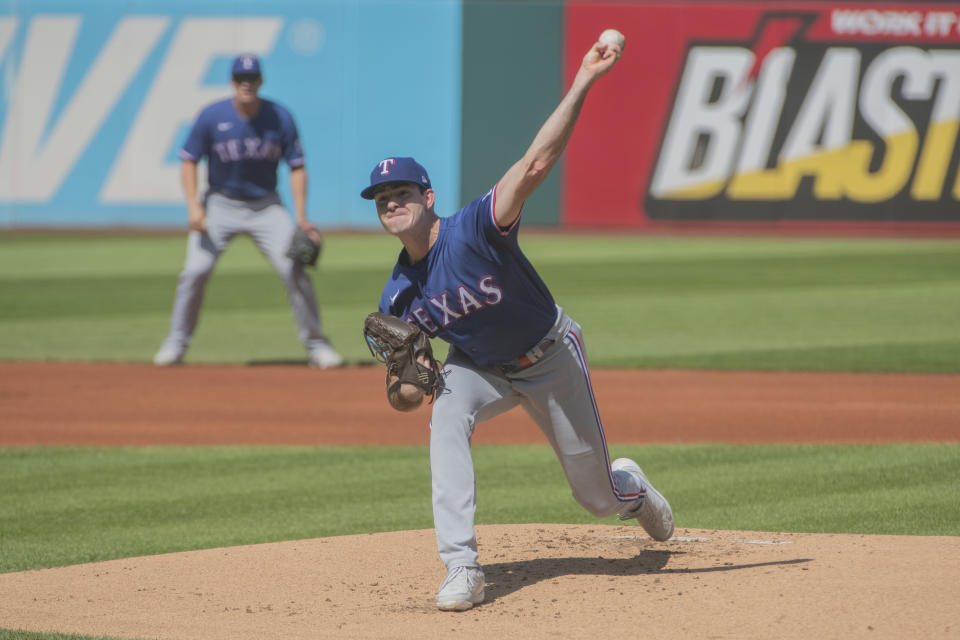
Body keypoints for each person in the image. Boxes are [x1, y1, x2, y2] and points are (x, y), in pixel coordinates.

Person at [360, 36, 673, 611]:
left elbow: (535, 164)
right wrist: (414, 374)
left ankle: (630, 486)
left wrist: (582, 79)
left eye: (401, 192)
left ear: (428, 197)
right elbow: (403, 398)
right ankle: (462, 567)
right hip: (480, 367)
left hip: (550, 354)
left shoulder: (477, 226)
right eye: (381, 199)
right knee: (444, 416)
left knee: (596, 499)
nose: (391, 204)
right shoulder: (397, 295)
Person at [153, 54, 343, 369]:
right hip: (220, 204)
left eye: (252, 78)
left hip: (266, 206)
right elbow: (189, 160)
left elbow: (297, 167)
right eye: (241, 79)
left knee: (293, 269)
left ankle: (317, 345)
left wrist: (301, 216)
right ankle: (175, 342)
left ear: (261, 81)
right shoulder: (212, 116)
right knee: (195, 270)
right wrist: (193, 205)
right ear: (232, 82)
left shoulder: (280, 117)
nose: (246, 84)